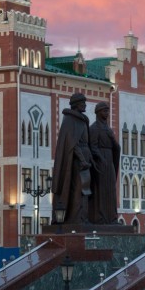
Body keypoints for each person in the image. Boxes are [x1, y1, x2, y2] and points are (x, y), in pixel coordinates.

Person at [52, 92, 93, 224]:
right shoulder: (69, 120)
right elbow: (72, 144)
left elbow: (86, 143)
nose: (85, 105)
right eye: (83, 103)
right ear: (76, 105)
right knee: (78, 189)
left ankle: (83, 217)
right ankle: (76, 217)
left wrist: (90, 158)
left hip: (85, 159)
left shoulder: (83, 120)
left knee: (85, 189)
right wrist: (82, 160)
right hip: (76, 162)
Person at [89, 101, 120, 224]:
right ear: (98, 112)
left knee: (111, 189)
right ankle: (100, 217)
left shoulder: (109, 129)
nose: (107, 113)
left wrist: (114, 142)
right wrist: (101, 158)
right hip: (100, 162)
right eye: (104, 111)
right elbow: (92, 147)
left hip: (109, 159)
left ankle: (112, 217)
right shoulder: (94, 128)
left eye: (108, 111)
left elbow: (115, 147)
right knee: (100, 189)